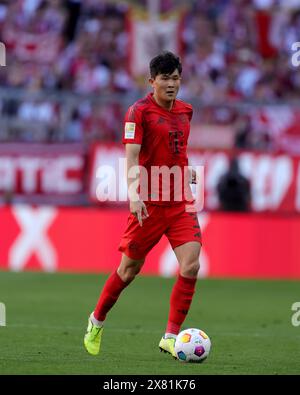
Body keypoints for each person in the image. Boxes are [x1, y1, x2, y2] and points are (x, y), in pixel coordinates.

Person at [83, 51, 202, 358]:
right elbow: (133, 156)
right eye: (165, 78)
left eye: (176, 78)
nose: (172, 84)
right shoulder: (138, 112)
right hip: (148, 203)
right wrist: (135, 195)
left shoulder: (187, 111)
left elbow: (176, 150)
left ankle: (170, 337)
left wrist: (184, 169)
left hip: (179, 202)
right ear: (152, 81)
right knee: (128, 270)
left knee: (191, 265)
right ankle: (96, 320)